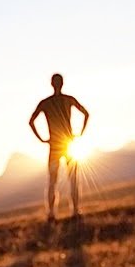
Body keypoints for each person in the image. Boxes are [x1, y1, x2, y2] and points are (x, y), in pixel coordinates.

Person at [28, 73, 89, 221]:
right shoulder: (68, 100)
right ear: (62, 83)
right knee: (72, 179)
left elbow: (31, 121)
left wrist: (43, 139)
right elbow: (86, 114)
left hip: (55, 145)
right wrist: (79, 133)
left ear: (51, 84)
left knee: (53, 180)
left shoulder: (46, 103)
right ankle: (74, 211)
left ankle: (51, 214)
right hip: (68, 144)